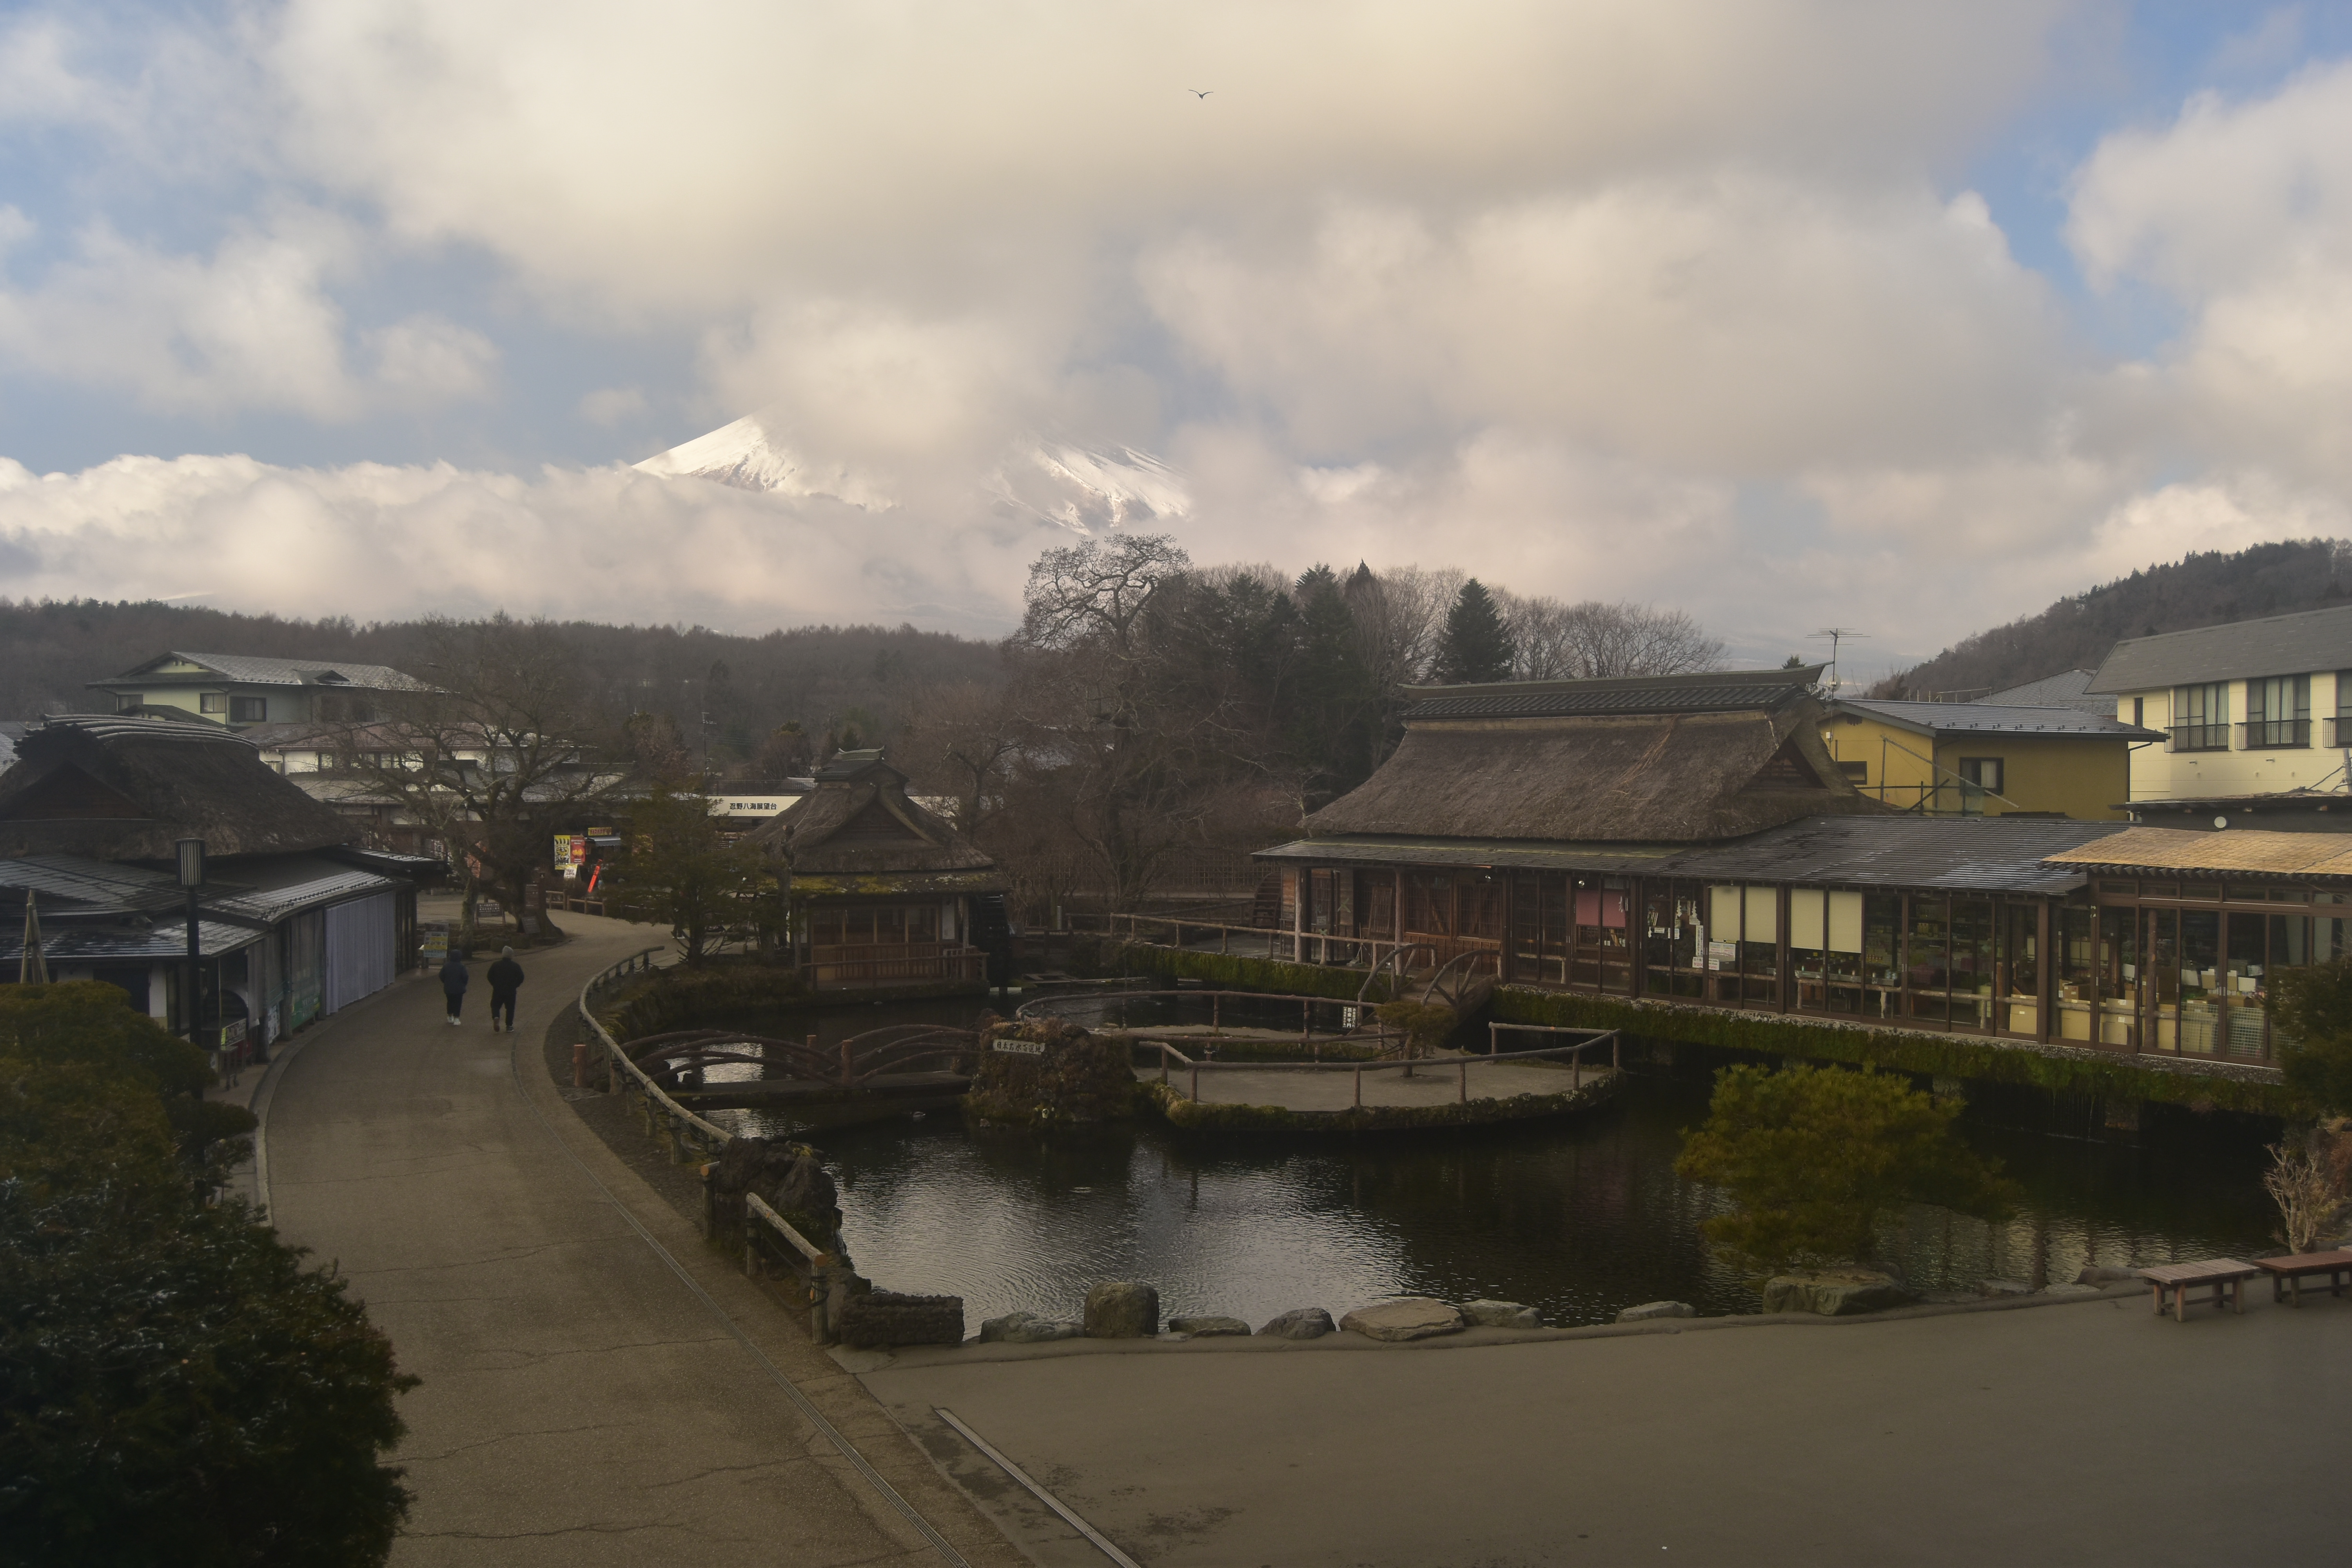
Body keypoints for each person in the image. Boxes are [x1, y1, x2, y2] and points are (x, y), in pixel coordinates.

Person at [487, 946, 526, 1033]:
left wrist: (495, 984)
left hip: (498, 990)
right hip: (511, 991)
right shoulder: (516, 966)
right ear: (511, 956)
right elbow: (521, 977)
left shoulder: (496, 965)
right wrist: (516, 985)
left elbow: (489, 976)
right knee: (510, 1008)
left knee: (495, 1005)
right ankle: (509, 1026)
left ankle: (496, 1017)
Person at [438, 951, 469, 1025]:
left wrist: (445, 982)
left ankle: (450, 1016)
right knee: (458, 1003)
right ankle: (457, 1018)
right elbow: (465, 977)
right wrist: (464, 984)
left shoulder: (446, 966)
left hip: (449, 988)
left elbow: (441, 975)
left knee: (450, 1002)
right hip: (459, 989)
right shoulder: (461, 966)